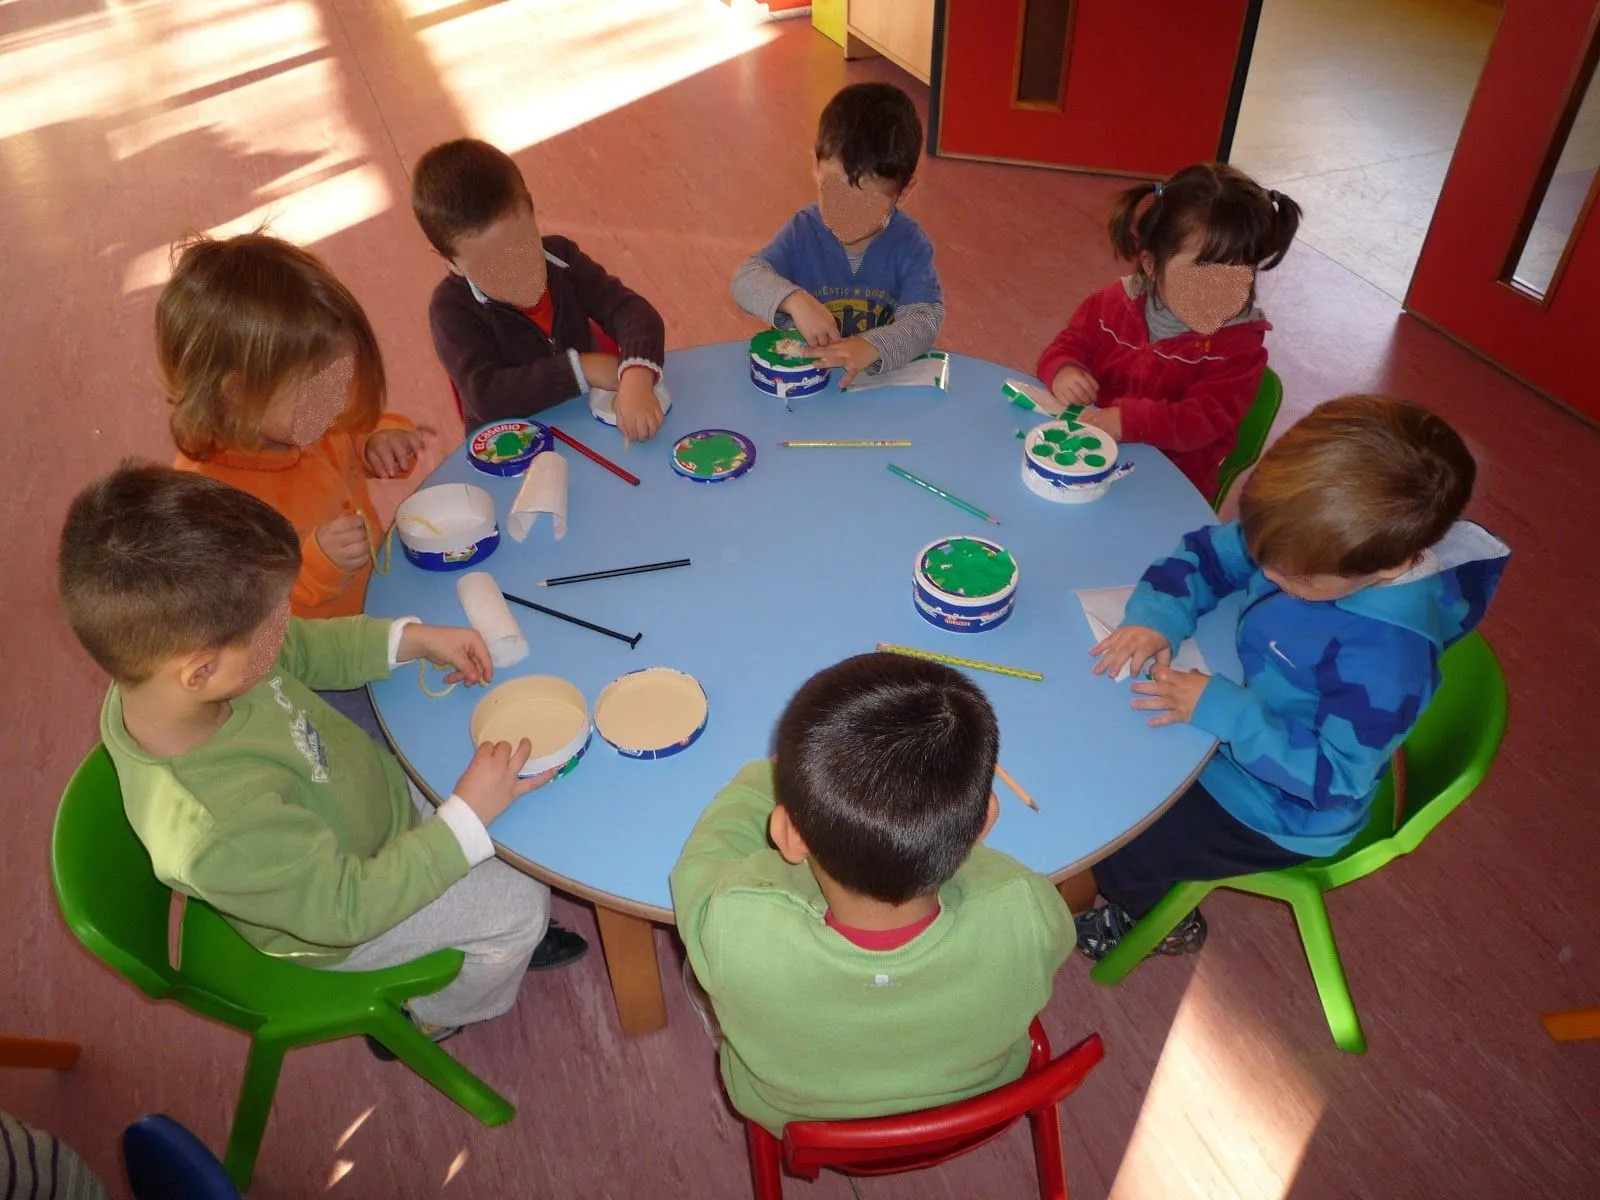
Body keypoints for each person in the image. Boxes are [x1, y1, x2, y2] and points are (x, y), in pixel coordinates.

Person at [57, 464, 588, 1051]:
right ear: (201, 672)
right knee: (521, 904)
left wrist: (409, 641)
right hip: (343, 916)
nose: (285, 626)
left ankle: (468, 888)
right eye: (272, 621)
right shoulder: (219, 831)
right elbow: (347, 908)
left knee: (497, 803)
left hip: (362, 806)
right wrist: (461, 820)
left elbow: (302, 648)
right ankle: (435, 1013)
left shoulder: (174, 671)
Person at [1074, 396, 1509, 959]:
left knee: (1129, 838)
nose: (1268, 574)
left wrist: (1227, 712)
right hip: (1241, 723)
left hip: (1283, 807)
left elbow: (1335, 777)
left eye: (1296, 579)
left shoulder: (1388, 660)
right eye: (1264, 554)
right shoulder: (1311, 537)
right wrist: (1158, 617)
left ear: (1383, 568)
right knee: (1114, 756)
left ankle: (1150, 919)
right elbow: (1211, 556)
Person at [670, 653, 1075, 1134]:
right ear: (986, 820)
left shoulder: (732, 924)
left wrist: (765, 777)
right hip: (980, 1099)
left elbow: (698, 865)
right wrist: (947, 836)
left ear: (787, 835)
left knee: (703, 971)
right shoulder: (1027, 907)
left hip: (797, 1118)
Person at [158, 232, 427, 623]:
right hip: (325, 659)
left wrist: (380, 437)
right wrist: (319, 566)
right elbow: (249, 619)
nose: (339, 404)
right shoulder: (210, 502)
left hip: (380, 604)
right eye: (322, 391)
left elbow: (354, 432)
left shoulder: (307, 422)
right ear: (239, 391)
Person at [1036, 162, 1302, 499]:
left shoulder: (1240, 348)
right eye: (1203, 274)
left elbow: (1201, 420)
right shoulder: (1111, 304)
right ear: (1151, 264)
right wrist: (1064, 369)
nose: (1221, 292)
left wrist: (1128, 421)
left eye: (1238, 273)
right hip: (1090, 455)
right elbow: (1069, 344)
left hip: (1172, 486)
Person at [411, 138, 668, 440]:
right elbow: (487, 396)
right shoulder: (451, 309)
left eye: (521, 249)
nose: (514, 273)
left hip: (590, 426)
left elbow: (631, 310)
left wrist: (637, 374)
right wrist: (580, 369)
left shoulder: (562, 258)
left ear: (532, 212)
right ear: (450, 262)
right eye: (489, 268)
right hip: (511, 451)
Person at [731, 82, 943, 387]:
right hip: (808, 386)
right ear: (816, 168)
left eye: (867, 205)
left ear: (903, 192)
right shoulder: (804, 230)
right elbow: (745, 279)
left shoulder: (909, 243)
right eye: (835, 195)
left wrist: (874, 346)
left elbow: (925, 318)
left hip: (876, 386)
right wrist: (794, 300)